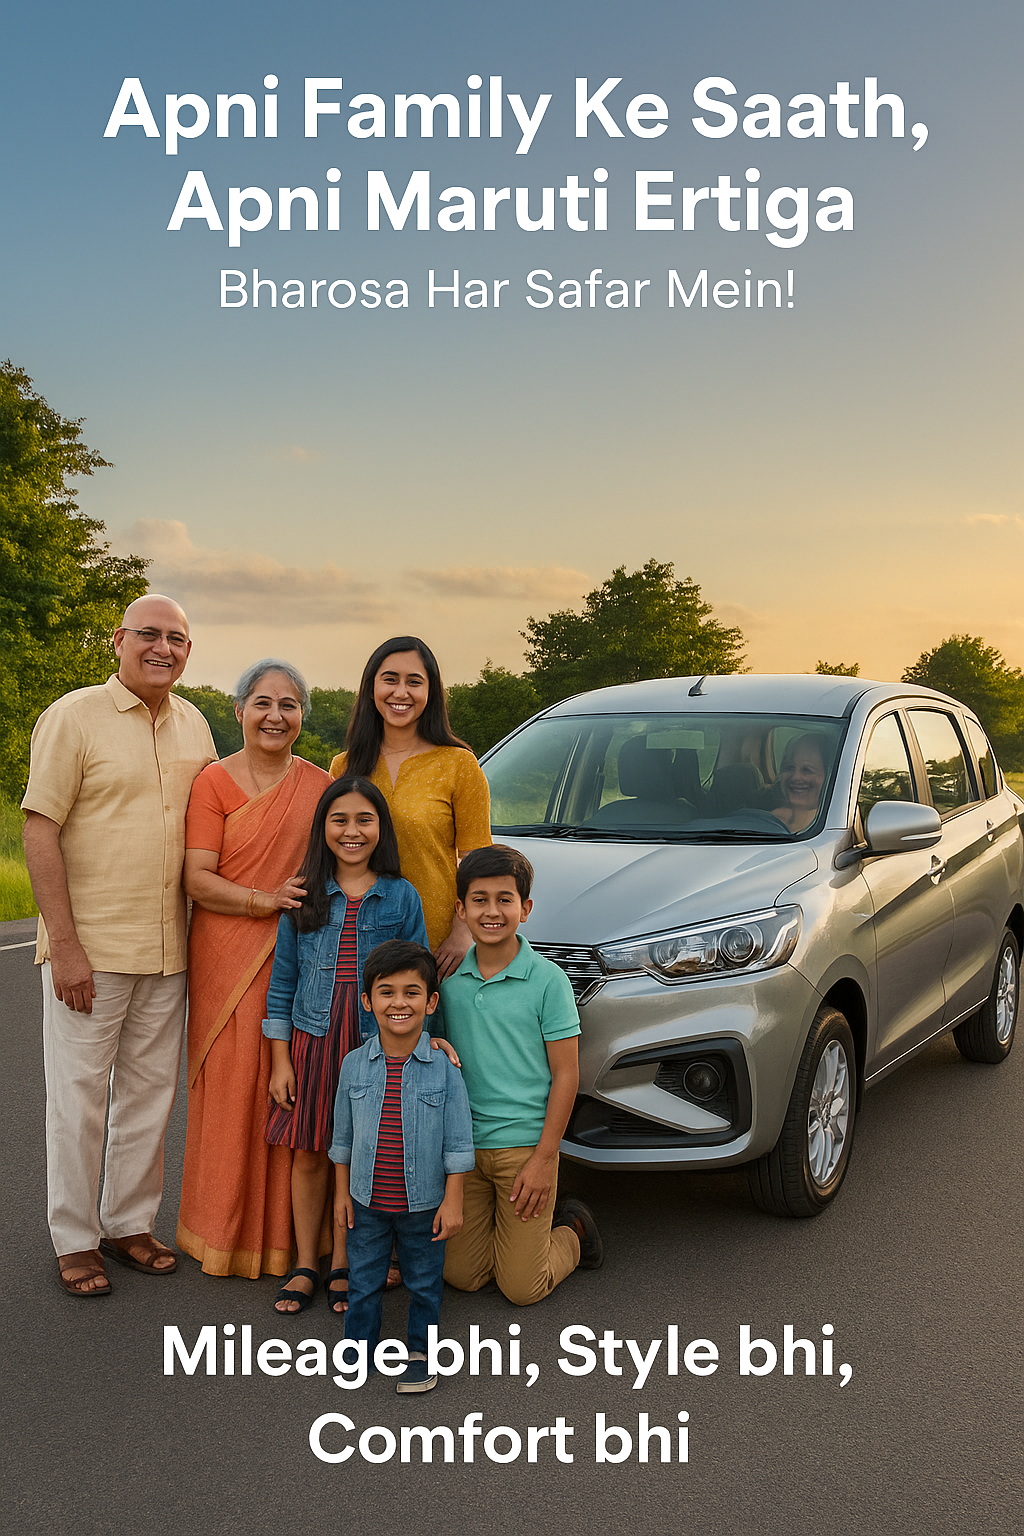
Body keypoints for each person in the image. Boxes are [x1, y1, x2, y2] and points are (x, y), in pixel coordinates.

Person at [21, 594, 217, 1297]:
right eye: (149, 635)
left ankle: (128, 1223)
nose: (163, 648)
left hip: (170, 950)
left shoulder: (196, 723)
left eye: (177, 638)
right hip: (92, 952)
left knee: (148, 1098)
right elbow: (39, 828)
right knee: (79, 1100)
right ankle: (75, 1240)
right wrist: (65, 945)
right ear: (119, 640)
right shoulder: (74, 716)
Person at [262, 776, 441, 1315]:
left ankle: (345, 1261)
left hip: (374, 1042)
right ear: (323, 828)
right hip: (315, 1038)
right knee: (311, 1152)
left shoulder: (401, 894)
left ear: (381, 828)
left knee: (358, 1153)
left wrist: (428, 1044)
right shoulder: (303, 893)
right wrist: (280, 1060)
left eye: (365, 819)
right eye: (339, 819)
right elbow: (282, 983)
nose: (352, 831)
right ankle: (306, 1261)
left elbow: (421, 977)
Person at [177, 660, 330, 1278]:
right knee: (234, 1087)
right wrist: (264, 901)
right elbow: (197, 878)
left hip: (299, 956)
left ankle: (292, 1242)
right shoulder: (212, 782)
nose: (275, 715)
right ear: (238, 710)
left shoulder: (320, 787)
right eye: (262, 703)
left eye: (289, 705)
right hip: (226, 951)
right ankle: (220, 1231)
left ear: (301, 718)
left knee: (287, 1089)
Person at [440, 844, 603, 1306]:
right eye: (479, 900)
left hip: (524, 1151)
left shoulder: (548, 982)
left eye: (504, 900)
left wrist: (544, 1158)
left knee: (521, 1289)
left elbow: (566, 1075)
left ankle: (571, 1231)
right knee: (463, 1276)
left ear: (525, 909)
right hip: (466, 1152)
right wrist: (433, 1041)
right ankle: (511, 1241)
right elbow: (433, 1046)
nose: (492, 911)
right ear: (461, 909)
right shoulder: (450, 985)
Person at [331, 940, 475, 1393]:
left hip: (425, 1205)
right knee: (365, 1279)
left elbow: (457, 1143)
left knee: (425, 1283)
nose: (399, 1003)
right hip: (366, 1201)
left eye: (412, 992)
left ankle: (420, 1352)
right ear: (367, 1001)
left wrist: (453, 1200)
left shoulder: (445, 1070)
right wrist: (340, 1195)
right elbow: (341, 1142)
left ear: (431, 1002)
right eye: (386, 992)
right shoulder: (353, 1065)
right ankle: (359, 1346)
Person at [329, 637, 492, 981]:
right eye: (390, 679)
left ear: (430, 691)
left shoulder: (458, 764)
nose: (400, 692)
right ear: (371, 687)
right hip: (356, 937)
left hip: (437, 946)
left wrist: (462, 933)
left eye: (414, 682)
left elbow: (478, 861)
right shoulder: (343, 768)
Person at [770, 733, 828, 833]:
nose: (795, 777)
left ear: (828, 777)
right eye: (789, 767)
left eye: (807, 770)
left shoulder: (839, 823)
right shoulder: (761, 822)